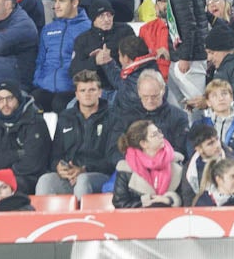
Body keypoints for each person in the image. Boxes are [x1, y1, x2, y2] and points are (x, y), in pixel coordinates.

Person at [38, 69, 113, 197]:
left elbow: (113, 159)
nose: (87, 94)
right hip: (69, 175)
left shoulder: (112, 117)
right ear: (77, 94)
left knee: (83, 181)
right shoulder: (65, 117)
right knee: (45, 181)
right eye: (83, 91)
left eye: (92, 90)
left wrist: (84, 169)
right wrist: (59, 167)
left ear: (100, 93)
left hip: (98, 176)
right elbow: (55, 154)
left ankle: (83, 217)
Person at [111, 120, 185, 209]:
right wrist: (149, 200)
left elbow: (186, 196)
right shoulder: (126, 169)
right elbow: (120, 203)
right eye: (155, 135)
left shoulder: (177, 162)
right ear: (143, 143)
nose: (161, 136)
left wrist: (170, 199)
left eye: (159, 132)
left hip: (172, 219)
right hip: (138, 220)